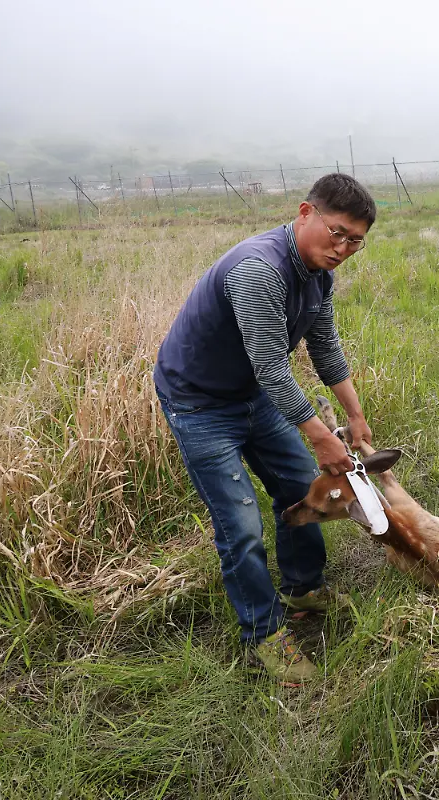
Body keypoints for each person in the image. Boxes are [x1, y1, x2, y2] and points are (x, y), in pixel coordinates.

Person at [154, 173, 376, 682]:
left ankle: (303, 586)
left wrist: (355, 413)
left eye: (356, 240)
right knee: (240, 523)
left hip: (253, 393)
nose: (343, 248)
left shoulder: (319, 273)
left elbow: (323, 348)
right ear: (305, 213)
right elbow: (272, 368)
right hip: (199, 402)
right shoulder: (260, 271)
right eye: (336, 232)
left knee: (299, 487)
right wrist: (322, 436)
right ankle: (264, 634)